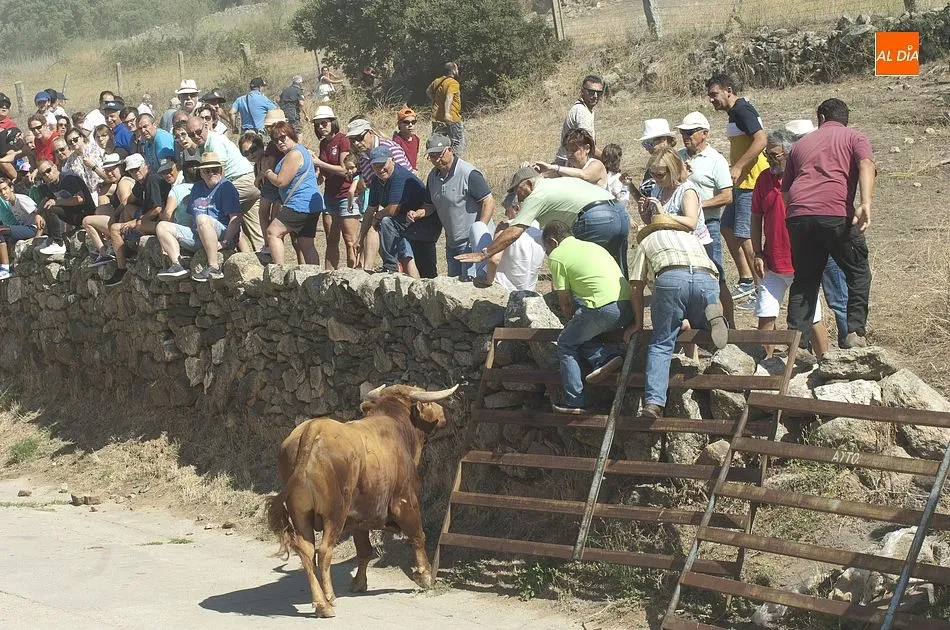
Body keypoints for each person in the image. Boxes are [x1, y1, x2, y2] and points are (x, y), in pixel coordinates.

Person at [782, 98, 875, 349]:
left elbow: (786, 192)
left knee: (805, 279)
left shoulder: (800, 145)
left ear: (821, 118)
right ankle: (855, 333)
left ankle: (796, 343)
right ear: (845, 119)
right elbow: (866, 164)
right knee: (857, 272)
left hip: (798, 216)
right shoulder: (854, 137)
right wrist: (865, 203)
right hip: (835, 215)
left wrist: (800, 212)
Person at [625, 214, 727, 419]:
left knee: (661, 343)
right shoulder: (691, 238)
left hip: (670, 278)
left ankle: (653, 403)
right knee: (700, 317)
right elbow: (714, 274)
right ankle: (709, 319)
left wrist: (638, 323)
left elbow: (636, 285)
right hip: (706, 278)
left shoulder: (647, 241)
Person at [457, 166, 629, 276]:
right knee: (616, 269)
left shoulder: (537, 194)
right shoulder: (557, 183)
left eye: (518, 190)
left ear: (529, 184)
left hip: (594, 218)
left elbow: (515, 231)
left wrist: (484, 254)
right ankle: (625, 320)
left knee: (585, 269)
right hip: (619, 213)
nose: (518, 196)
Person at [751, 129, 830, 359]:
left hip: (802, 263)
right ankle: (765, 367)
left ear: (790, 153)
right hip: (772, 262)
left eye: (774, 155)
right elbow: (756, 217)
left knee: (813, 318)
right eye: (767, 154)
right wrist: (757, 251)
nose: (769, 159)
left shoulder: (805, 177)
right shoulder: (764, 178)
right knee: (766, 315)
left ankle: (826, 363)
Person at [542, 220, 632, 414]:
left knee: (566, 343)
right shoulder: (593, 246)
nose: (548, 254)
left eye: (546, 249)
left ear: (552, 242)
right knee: (581, 334)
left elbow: (565, 302)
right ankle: (605, 357)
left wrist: (569, 322)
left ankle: (575, 401)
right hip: (627, 306)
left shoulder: (558, 255)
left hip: (601, 308)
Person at [785, 118, 850, 349]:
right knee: (806, 291)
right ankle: (801, 348)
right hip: (811, 233)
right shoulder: (790, 165)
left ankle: (849, 345)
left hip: (824, 231)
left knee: (837, 296)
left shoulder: (824, 157)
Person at [706, 72, 769, 304]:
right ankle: (746, 279)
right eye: (710, 96)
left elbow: (761, 139)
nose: (712, 100)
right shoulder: (734, 113)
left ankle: (761, 288)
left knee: (744, 235)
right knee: (727, 227)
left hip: (751, 181)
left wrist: (740, 165)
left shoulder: (743, 110)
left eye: (715, 94)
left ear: (728, 90)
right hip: (741, 182)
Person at [676, 111, 735, 325]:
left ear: (704, 134)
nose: (686, 136)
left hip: (708, 225)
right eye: (683, 132)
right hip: (682, 227)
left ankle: (729, 326)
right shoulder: (678, 156)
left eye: (690, 132)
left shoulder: (715, 160)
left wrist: (697, 205)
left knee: (715, 275)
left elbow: (727, 195)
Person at [409, 134, 493, 280]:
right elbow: (429, 206)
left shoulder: (468, 173)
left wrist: (479, 230)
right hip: (452, 242)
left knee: (470, 286)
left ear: (450, 150)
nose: (436, 160)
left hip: (471, 243)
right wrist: (417, 213)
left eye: (439, 154)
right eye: (432, 156)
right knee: (455, 285)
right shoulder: (433, 177)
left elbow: (488, 201)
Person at [155, 152, 243, 282]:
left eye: (215, 170)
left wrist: (226, 242)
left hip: (220, 233)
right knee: (162, 226)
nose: (212, 173)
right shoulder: (197, 188)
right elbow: (192, 217)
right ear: (201, 173)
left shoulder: (226, 187)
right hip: (199, 234)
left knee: (202, 218)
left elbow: (236, 219)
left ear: (221, 170)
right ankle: (177, 265)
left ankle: (214, 267)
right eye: (207, 171)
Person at [360, 145, 442, 278]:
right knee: (416, 262)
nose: (380, 169)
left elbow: (392, 210)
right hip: (405, 222)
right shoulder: (377, 181)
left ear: (392, 160)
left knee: (386, 222)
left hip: (425, 224)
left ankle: (390, 266)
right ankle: (391, 269)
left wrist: (377, 216)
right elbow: (370, 210)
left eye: (383, 164)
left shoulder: (400, 176)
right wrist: (360, 239)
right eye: (376, 165)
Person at [186, 116, 263, 252]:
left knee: (216, 208)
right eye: (192, 134)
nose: (196, 136)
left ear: (205, 126)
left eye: (198, 132)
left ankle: (222, 245)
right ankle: (259, 262)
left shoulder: (215, 142)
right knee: (251, 225)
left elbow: (219, 172)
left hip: (242, 180)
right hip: (249, 181)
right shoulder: (202, 146)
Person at [346, 118, 413, 269]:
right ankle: (369, 269)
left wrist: (382, 214)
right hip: (387, 208)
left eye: (359, 137)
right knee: (376, 231)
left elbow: (407, 178)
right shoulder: (363, 158)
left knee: (407, 256)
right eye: (353, 139)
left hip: (405, 207)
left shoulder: (389, 148)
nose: (356, 143)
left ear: (369, 132)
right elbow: (373, 192)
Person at [261, 122, 323, 266]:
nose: (280, 142)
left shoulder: (294, 154)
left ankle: (278, 272)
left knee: (273, 232)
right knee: (306, 243)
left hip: (300, 203)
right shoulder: (301, 151)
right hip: (311, 205)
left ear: (291, 135)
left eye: (283, 137)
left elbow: (281, 181)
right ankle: (316, 279)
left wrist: (267, 172)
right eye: (276, 140)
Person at [105, 153, 170, 286]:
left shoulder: (151, 179)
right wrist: (115, 213)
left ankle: (121, 267)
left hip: (160, 222)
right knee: (128, 209)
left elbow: (157, 209)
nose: (136, 172)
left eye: (137, 168)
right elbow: (128, 201)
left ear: (145, 166)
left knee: (115, 228)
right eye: (132, 170)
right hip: (148, 217)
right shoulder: (141, 183)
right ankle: (126, 244)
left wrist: (135, 221)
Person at [312, 106, 359, 268]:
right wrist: (318, 173)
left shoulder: (342, 140)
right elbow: (325, 172)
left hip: (346, 195)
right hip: (330, 195)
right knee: (331, 239)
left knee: (350, 240)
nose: (321, 127)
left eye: (324, 123)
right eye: (317, 125)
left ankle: (354, 276)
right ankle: (329, 276)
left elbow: (345, 170)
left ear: (333, 122)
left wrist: (319, 163)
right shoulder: (323, 144)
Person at [470, 192, 544, 292]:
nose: (505, 214)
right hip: (528, 287)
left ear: (517, 208)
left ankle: (470, 273)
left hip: (505, 286)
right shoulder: (540, 227)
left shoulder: (508, 228)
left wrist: (497, 236)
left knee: (478, 226)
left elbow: (493, 260)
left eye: (507, 210)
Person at [641, 148, 712, 248]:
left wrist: (664, 215)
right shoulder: (657, 188)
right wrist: (644, 213)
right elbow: (654, 223)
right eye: (652, 174)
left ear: (673, 171)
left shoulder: (687, 191)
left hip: (695, 248)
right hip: (673, 245)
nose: (655, 178)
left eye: (660, 175)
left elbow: (692, 223)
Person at [35, 159, 96, 256]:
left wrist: (57, 202)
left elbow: (80, 199)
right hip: (75, 215)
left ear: (54, 167)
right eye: (43, 174)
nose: (47, 175)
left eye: (48, 170)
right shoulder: (52, 185)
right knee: (48, 206)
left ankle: (58, 243)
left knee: (51, 208)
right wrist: (38, 214)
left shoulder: (68, 178)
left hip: (86, 213)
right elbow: (45, 200)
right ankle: (51, 240)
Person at [82, 152, 130, 266]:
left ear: (120, 168)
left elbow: (125, 205)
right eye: (107, 170)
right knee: (102, 208)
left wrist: (115, 215)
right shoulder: (119, 182)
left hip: (124, 226)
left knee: (86, 221)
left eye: (112, 169)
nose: (109, 173)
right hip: (120, 223)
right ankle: (109, 246)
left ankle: (104, 254)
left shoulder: (123, 183)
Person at [556, 75, 603, 166]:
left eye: (599, 93)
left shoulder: (584, 108)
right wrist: (607, 160)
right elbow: (588, 145)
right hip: (570, 162)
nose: (595, 96)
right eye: (591, 92)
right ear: (582, 91)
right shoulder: (582, 111)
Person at [536, 128, 607, 188]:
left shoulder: (596, 165)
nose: (569, 154)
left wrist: (555, 168)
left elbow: (585, 175)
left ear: (587, 148)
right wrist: (539, 172)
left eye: (574, 150)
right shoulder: (568, 166)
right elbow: (551, 175)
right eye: (567, 150)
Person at [0, 177, 40, 279]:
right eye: (0, 191)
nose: (3, 193)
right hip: (24, 228)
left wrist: (37, 238)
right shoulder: (10, 203)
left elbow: (39, 216)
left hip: (32, 229)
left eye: (5, 189)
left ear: (11, 188)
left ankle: (5, 269)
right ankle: (8, 266)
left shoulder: (22, 199)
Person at [426, 62, 464, 153]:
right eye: (457, 69)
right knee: (457, 142)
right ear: (454, 71)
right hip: (452, 118)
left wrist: (435, 101)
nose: (458, 71)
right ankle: (455, 163)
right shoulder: (453, 83)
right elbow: (449, 96)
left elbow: (428, 91)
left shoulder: (437, 81)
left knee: (437, 144)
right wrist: (447, 113)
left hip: (437, 118)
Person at [392, 106, 420, 170]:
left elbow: (416, 157)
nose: (410, 125)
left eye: (413, 122)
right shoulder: (397, 141)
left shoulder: (416, 139)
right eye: (406, 122)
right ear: (399, 124)